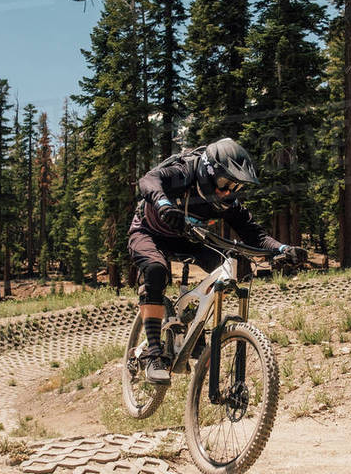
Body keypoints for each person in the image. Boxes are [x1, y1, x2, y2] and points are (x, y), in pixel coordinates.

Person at [129, 137, 307, 384]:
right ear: (207, 171)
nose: (228, 192)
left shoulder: (228, 203)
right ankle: (153, 355)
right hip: (149, 230)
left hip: (186, 238)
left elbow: (255, 235)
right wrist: (163, 205)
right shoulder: (184, 172)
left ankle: (196, 331)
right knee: (156, 270)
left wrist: (283, 249)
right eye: (225, 183)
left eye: (236, 187)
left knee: (223, 267)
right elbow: (149, 179)